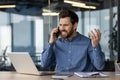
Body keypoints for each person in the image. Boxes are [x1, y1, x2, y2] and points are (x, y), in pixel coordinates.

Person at [41, 10, 105, 72]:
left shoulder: (87, 43)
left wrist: (95, 46)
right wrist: (51, 44)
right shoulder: (56, 43)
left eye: (66, 25)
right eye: (60, 25)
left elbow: (99, 66)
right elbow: (44, 64)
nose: (62, 28)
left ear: (75, 25)